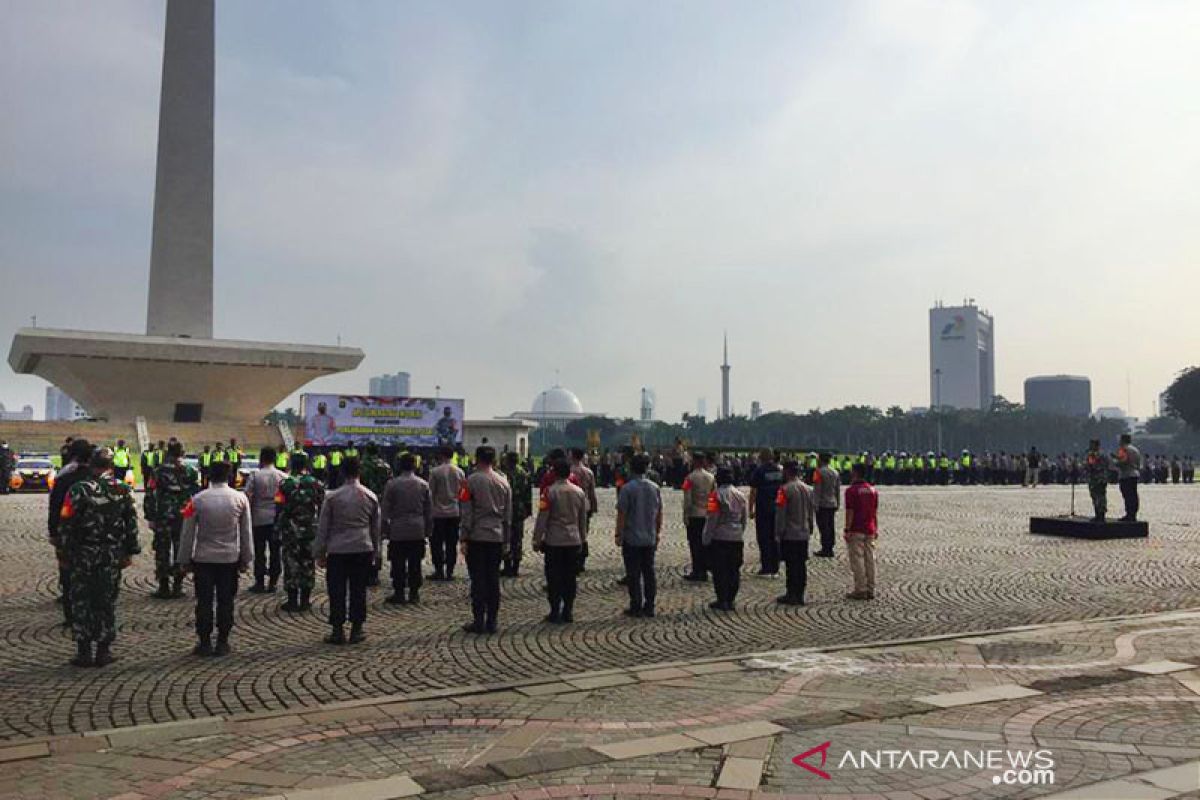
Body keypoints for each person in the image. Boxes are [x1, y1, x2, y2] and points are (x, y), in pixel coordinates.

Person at [58, 447, 140, 667]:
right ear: (111, 467)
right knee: (106, 600)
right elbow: (131, 523)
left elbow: (66, 523)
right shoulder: (123, 489)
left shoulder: (77, 490)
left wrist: (63, 552)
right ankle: (103, 651)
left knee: (82, 600)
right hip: (111, 553)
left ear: (91, 465)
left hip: (83, 553)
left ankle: (84, 651)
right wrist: (130, 550)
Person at [178, 462, 253, 657]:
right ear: (229, 476)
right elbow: (246, 532)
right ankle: (223, 641)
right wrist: (246, 558)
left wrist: (184, 559)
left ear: (209, 476)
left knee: (203, 601)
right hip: (229, 558)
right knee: (226, 600)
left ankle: (204, 641)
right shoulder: (240, 499)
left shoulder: (197, 500)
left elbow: (187, 533)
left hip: (204, 557)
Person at [315, 457, 382, 645]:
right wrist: (377, 553)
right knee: (358, 589)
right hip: (362, 547)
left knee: (336, 590)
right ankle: (357, 628)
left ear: (342, 473)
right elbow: (376, 529)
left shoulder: (333, 497)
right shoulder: (370, 496)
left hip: (338, 549)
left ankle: (337, 629)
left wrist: (319, 552)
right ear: (360, 472)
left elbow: (323, 527)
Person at [458, 446, 512, 634]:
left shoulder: (469, 481)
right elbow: (508, 515)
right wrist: (506, 540)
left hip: (477, 535)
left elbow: (466, 512)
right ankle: (493, 621)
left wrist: (464, 536)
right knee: (493, 579)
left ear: (477, 458)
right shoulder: (504, 482)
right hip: (496, 535)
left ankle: (479, 619)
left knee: (478, 579)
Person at [533, 458, 588, 623]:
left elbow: (543, 518)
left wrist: (537, 538)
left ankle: (555, 610)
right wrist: (583, 539)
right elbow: (582, 519)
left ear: (554, 473)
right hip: (573, 539)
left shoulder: (548, 492)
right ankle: (568, 610)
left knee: (554, 577)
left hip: (554, 540)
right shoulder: (579, 492)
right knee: (570, 577)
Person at [144, 441, 200, 599]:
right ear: (182, 453)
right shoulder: (190, 471)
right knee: (180, 550)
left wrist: (150, 516)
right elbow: (196, 494)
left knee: (162, 550)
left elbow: (150, 494)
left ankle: (163, 586)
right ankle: (178, 585)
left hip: (163, 515)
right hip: (183, 516)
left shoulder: (158, 471)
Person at [48, 438, 94, 626]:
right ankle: (92, 612)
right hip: (95, 534)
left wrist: (53, 532)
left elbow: (55, 506)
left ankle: (71, 615)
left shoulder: (64, 477)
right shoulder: (97, 476)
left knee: (68, 573)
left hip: (68, 534)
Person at [275, 452, 325, 612]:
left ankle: (292, 600)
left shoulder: (285, 484)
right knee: (308, 563)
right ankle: (305, 599)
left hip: (290, 530)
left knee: (291, 564)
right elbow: (322, 508)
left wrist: (277, 528)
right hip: (310, 529)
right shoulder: (317, 484)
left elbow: (278, 507)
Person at [380, 452, 432, 605]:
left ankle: (399, 592)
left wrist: (384, 530)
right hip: (417, 529)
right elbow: (429, 511)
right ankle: (414, 593)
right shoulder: (423, 485)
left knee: (398, 563)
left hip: (398, 529)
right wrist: (428, 530)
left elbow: (385, 510)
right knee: (415, 563)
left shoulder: (392, 485)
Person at [616, 453, 662, 618]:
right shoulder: (654, 488)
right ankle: (650, 605)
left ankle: (636, 604)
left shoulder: (627, 488)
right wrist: (658, 532)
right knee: (649, 572)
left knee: (633, 573)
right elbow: (659, 513)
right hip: (649, 535)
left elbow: (622, 513)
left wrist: (618, 534)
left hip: (632, 536)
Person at [702, 466, 748, 611]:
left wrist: (706, 537)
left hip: (720, 537)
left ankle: (722, 599)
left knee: (720, 571)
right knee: (734, 570)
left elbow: (711, 518)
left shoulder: (714, 496)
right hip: (736, 537)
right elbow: (744, 519)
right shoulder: (741, 495)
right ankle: (731, 599)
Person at [243, 447, 285, 594]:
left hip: (258, 518)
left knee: (259, 551)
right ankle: (273, 582)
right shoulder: (282, 476)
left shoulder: (255, 475)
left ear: (261, 458)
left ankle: (259, 582)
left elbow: (247, 495)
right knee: (275, 551)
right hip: (276, 519)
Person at [774, 460, 815, 605]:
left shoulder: (784, 490)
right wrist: (810, 526)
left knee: (791, 565)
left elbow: (781, 514)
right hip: (803, 532)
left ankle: (791, 593)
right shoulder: (808, 489)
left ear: (786, 471)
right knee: (801, 564)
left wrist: (778, 532)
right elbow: (811, 511)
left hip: (790, 533)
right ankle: (800, 593)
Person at [429, 447, 466, 581]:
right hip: (454, 512)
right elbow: (464, 495)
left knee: (437, 543)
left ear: (441, 455)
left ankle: (439, 570)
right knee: (452, 543)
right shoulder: (460, 472)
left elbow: (431, 493)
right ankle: (450, 571)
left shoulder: (435, 472)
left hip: (438, 513)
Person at [843, 463, 879, 600]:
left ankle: (860, 589)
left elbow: (850, 511)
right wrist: (876, 527)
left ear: (855, 473)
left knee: (857, 560)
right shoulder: (872, 490)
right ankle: (871, 588)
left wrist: (847, 529)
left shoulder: (851, 491)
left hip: (857, 528)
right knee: (870, 559)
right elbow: (874, 512)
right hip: (869, 528)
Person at [747, 449, 783, 576]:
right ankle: (775, 565)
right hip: (777, 508)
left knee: (764, 537)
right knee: (775, 537)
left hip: (763, 508)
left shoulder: (759, 471)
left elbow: (753, 491)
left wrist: (750, 509)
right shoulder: (779, 470)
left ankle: (766, 566)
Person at [681, 452, 715, 582]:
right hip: (707, 513)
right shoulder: (711, 477)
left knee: (695, 544)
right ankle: (705, 568)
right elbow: (713, 496)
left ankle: (697, 570)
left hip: (695, 513)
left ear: (694, 461)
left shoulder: (689, 478)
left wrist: (686, 515)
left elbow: (687, 500)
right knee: (705, 543)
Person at [500, 451, 533, 577]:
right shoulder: (524, 474)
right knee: (518, 538)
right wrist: (528, 509)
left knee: (507, 537)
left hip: (507, 508)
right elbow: (528, 493)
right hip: (519, 509)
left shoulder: (504, 474)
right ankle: (515, 567)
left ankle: (507, 565)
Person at [569, 449, 598, 574]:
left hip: (572, 504)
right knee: (583, 532)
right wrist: (594, 506)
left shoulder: (570, 471)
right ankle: (581, 560)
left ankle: (572, 559)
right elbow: (592, 492)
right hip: (585, 504)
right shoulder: (589, 472)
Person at [812, 452, 841, 558]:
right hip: (832, 502)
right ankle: (830, 546)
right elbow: (837, 490)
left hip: (822, 503)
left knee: (823, 527)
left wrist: (815, 503)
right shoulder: (835, 472)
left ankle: (825, 548)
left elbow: (817, 489)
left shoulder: (818, 472)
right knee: (830, 526)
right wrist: (838, 502)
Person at [1116, 434, 1142, 522]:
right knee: (1133, 495)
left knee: (1127, 496)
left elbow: (1123, 462)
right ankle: (1133, 514)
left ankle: (1129, 514)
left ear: (1123, 440)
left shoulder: (1124, 449)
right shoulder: (1135, 450)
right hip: (1134, 473)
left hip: (1126, 474)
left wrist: (1116, 462)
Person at [1085, 439, 1110, 522]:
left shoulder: (1092, 454)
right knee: (1102, 496)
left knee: (1096, 496)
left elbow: (1091, 465)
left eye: (1091, 445)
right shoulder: (1104, 454)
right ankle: (1101, 515)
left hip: (1095, 478)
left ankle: (1098, 515)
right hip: (1103, 478)